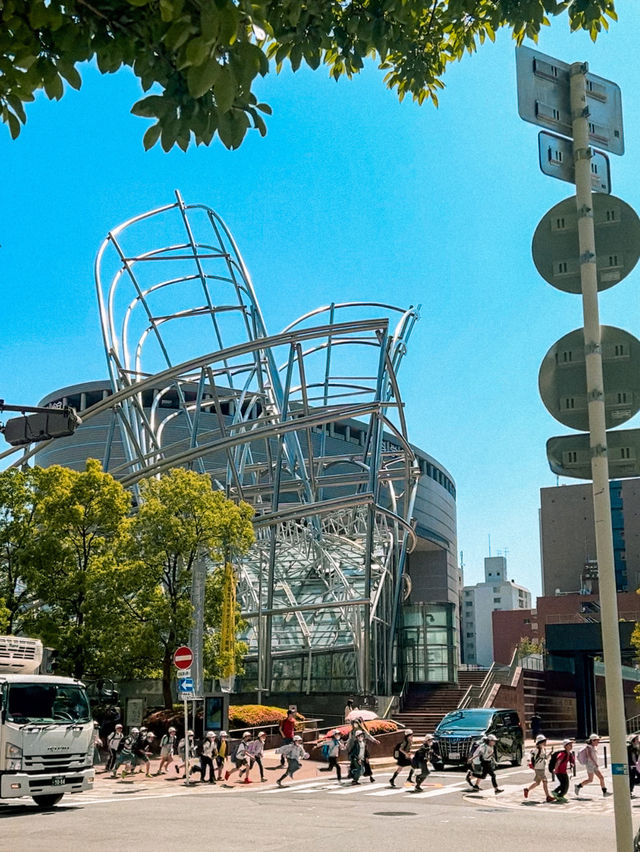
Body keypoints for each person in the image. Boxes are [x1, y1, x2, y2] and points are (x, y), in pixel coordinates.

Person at [523, 734, 555, 802]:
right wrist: (529, 761)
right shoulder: (536, 750)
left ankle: (527, 790)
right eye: (544, 741)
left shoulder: (543, 749)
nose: (545, 743)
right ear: (540, 742)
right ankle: (548, 796)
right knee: (545, 781)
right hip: (538, 769)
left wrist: (550, 753)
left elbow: (545, 758)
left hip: (542, 768)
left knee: (537, 783)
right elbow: (530, 754)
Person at [550, 739, 575, 803]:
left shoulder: (569, 753)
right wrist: (555, 769)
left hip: (563, 771)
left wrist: (572, 764)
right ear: (565, 746)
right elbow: (558, 762)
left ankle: (557, 793)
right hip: (559, 772)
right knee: (565, 785)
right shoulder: (562, 754)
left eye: (571, 745)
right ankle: (558, 794)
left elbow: (570, 761)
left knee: (564, 784)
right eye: (569, 745)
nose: (571, 746)